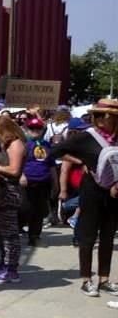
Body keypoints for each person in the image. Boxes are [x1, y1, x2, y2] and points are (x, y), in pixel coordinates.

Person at [49, 98, 118, 298]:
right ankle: (86, 279)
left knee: (108, 235)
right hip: (91, 191)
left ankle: (104, 279)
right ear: (102, 117)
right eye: (111, 116)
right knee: (87, 236)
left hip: (114, 194)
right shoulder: (86, 137)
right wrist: (80, 161)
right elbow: (54, 151)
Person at [0, 115, 26, 284]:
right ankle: (4, 263)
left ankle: (11, 268)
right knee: (1, 232)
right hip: (1, 191)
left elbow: (14, 170)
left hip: (10, 192)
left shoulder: (16, 144)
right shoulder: (6, 145)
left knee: (10, 234)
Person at [19, 117, 54, 246]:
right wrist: (21, 175)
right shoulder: (24, 144)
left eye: (38, 128)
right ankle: (20, 227)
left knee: (39, 210)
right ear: (27, 130)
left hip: (43, 181)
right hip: (27, 181)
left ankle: (34, 235)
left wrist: (55, 181)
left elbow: (51, 164)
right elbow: (18, 161)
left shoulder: (46, 144)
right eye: (32, 128)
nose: (35, 131)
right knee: (25, 208)